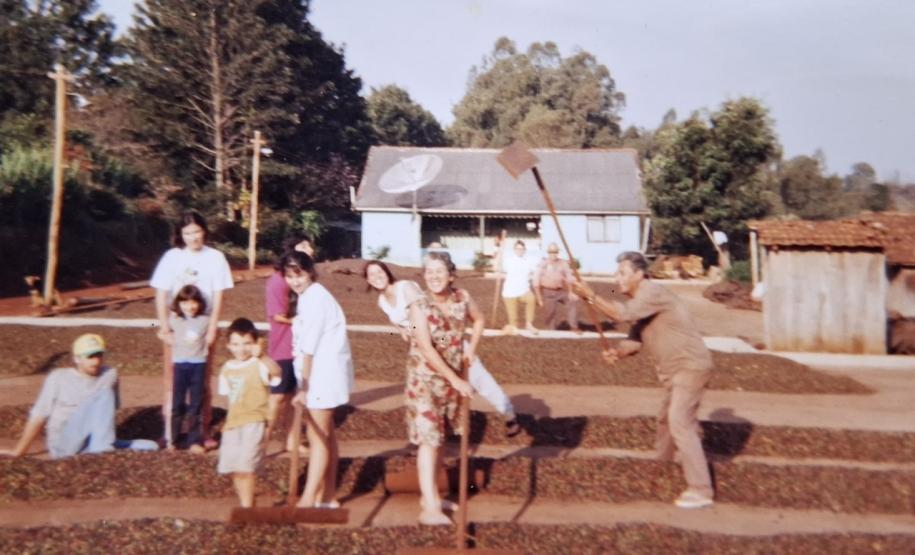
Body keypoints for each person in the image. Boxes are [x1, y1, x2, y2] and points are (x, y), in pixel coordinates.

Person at [572, 251, 715, 509]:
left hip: (690, 366)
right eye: (617, 273)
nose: (618, 279)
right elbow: (634, 341)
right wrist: (618, 351)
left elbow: (621, 315)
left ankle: (701, 489)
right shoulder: (643, 301)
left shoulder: (653, 292)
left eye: (623, 273)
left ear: (639, 274)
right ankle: (664, 468)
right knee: (666, 421)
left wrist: (590, 295)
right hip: (673, 372)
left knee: (679, 420)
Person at [363, 260, 520, 437]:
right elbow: (399, 323)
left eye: (380, 272)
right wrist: (404, 332)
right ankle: (434, 431)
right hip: (422, 346)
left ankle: (508, 413)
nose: (377, 277)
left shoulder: (404, 288)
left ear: (387, 273)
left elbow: (429, 308)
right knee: (434, 389)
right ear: (367, 280)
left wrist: (427, 336)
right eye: (372, 275)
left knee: (475, 373)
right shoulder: (381, 301)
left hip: (441, 336)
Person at [151, 211, 234, 449]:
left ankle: (202, 430)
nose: (193, 237)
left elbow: (218, 296)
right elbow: (161, 293)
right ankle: (170, 432)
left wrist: (213, 328)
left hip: (203, 323)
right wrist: (163, 326)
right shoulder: (171, 257)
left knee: (202, 381)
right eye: (187, 233)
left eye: (197, 231)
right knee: (172, 380)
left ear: (204, 231)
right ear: (180, 235)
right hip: (177, 322)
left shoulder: (215, 257)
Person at [0, 334, 158, 458]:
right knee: (104, 394)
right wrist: (19, 451)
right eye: (89, 356)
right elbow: (39, 415)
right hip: (63, 442)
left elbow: (109, 412)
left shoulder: (110, 374)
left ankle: (96, 450)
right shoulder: (59, 377)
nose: (95, 361)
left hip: (90, 439)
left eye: (99, 355)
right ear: (77, 359)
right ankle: (101, 452)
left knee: (151, 446)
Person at [281, 251, 354, 509]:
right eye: (289, 276)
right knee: (326, 436)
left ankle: (308, 499)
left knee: (317, 436)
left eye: (298, 274)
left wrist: (303, 387)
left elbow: (309, 348)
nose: (294, 281)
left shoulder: (315, 298)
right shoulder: (308, 297)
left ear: (310, 271)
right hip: (320, 374)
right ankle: (328, 496)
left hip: (321, 377)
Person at [406, 251, 475, 525]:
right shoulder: (416, 307)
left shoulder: (463, 298)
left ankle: (430, 496)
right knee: (429, 439)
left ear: (451, 275)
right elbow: (425, 346)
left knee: (440, 439)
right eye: (429, 271)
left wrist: (471, 350)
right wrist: (456, 379)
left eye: (439, 271)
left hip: (450, 379)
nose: (434, 276)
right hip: (423, 380)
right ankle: (430, 510)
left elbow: (478, 321)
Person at [217, 318, 281, 508]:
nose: (241, 348)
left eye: (247, 343)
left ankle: (247, 507)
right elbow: (227, 396)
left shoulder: (259, 364)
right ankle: (247, 502)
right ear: (228, 345)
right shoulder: (226, 369)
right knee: (235, 469)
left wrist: (262, 355)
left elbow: (276, 373)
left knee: (247, 468)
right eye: (236, 344)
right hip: (233, 424)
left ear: (255, 344)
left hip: (254, 422)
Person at [265, 234, 315, 455]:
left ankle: (292, 440)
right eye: (303, 245)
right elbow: (277, 315)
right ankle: (262, 442)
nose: (309, 249)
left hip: (300, 347)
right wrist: (299, 320)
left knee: (294, 396)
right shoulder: (277, 280)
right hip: (283, 347)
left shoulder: (306, 279)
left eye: (309, 246)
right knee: (277, 397)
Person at [165, 284, 209, 453]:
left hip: (198, 365)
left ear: (199, 303)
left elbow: (213, 333)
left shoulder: (204, 320)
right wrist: (161, 332)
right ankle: (174, 439)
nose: (189, 307)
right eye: (185, 303)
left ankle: (194, 440)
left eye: (193, 303)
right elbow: (157, 324)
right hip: (180, 365)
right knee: (177, 404)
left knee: (196, 404)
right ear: (179, 304)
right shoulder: (175, 319)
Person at [533, 242, 580, 333]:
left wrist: (570, 292)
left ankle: (573, 326)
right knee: (550, 313)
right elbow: (536, 281)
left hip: (560, 291)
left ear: (557, 253)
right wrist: (539, 298)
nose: (553, 254)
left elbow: (569, 277)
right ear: (548, 253)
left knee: (572, 300)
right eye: (551, 252)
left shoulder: (563, 263)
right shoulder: (543, 264)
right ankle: (551, 330)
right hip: (548, 292)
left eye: (555, 252)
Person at [495, 240, 538, 335]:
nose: (520, 251)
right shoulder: (508, 261)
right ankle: (510, 328)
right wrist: (499, 252)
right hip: (509, 293)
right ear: (514, 250)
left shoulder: (528, 261)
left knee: (531, 299)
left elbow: (537, 271)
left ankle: (529, 324)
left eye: (522, 249)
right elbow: (497, 266)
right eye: (518, 249)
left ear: (524, 250)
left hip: (523, 291)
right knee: (514, 324)